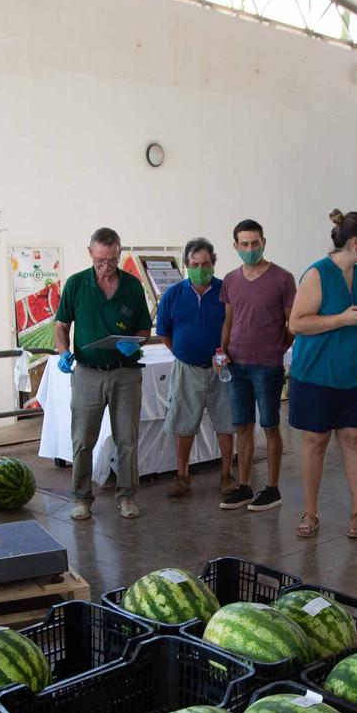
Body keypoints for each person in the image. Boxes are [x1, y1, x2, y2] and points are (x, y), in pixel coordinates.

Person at [290, 209, 357, 539]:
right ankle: (310, 513)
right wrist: (340, 319)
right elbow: (297, 323)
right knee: (315, 442)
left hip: (353, 373)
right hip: (316, 373)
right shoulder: (317, 274)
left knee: (354, 440)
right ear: (355, 241)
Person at [52, 227, 150, 522]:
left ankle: (127, 495)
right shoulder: (76, 284)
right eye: (99, 261)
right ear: (90, 254)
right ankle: (82, 498)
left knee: (127, 439)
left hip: (125, 374)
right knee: (83, 439)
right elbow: (60, 324)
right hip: (87, 373)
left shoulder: (132, 287)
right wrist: (63, 352)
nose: (106, 267)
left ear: (119, 253)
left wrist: (135, 343)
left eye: (111, 260)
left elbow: (143, 328)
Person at [217, 219, 295, 512]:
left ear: (264, 242)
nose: (250, 249)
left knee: (271, 425)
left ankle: (272, 488)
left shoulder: (282, 278)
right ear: (236, 247)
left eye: (255, 243)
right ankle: (244, 485)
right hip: (236, 364)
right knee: (243, 426)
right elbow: (229, 319)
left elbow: (293, 322)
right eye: (244, 244)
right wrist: (222, 352)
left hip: (268, 365)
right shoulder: (231, 280)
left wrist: (279, 348)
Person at [154, 237, 236, 503]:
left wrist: (223, 353)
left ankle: (226, 474)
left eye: (206, 264)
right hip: (186, 369)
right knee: (183, 422)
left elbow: (233, 325)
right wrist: (182, 352)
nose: (201, 268)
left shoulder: (226, 291)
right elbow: (164, 331)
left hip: (220, 369)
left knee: (225, 421)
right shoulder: (173, 295)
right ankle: (182, 475)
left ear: (214, 263)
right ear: (186, 265)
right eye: (195, 264)